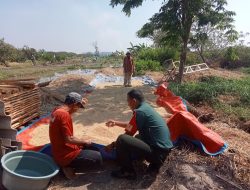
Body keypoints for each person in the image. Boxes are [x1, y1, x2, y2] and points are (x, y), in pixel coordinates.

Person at [105, 89, 173, 180]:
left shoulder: (140, 112)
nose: (128, 104)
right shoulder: (146, 108)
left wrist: (113, 145)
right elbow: (133, 124)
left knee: (122, 139)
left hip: (157, 154)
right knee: (138, 137)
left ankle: (128, 171)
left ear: (134, 101)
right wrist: (116, 123)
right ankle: (141, 159)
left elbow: (128, 133)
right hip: (164, 151)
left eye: (128, 101)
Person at [49, 92, 103, 179]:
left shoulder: (57, 111)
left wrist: (82, 142)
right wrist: (85, 141)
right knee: (97, 158)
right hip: (64, 155)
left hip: (58, 151)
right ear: (74, 104)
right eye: (78, 106)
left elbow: (67, 134)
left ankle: (66, 165)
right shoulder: (64, 115)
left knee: (93, 149)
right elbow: (69, 139)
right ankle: (67, 167)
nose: (78, 110)